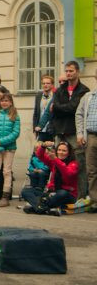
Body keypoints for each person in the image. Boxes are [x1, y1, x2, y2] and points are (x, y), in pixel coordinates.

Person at [51, 61, 89, 199]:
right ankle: (58, 193)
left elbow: (74, 108)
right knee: (58, 164)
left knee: (80, 165)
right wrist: (58, 108)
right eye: (66, 71)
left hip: (75, 132)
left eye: (71, 71)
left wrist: (58, 108)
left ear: (77, 72)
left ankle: (81, 196)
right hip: (60, 131)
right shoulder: (60, 89)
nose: (68, 73)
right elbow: (56, 108)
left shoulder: (84, 90)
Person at [22, 141, 79, 216]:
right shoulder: (54, 161)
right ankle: (42, 208)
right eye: (59, 150)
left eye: (64, 151)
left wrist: (56, 159)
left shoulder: (74, 164)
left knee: (62, 193)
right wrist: (43, 146)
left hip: (68, 195)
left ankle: (37, 207)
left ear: (69, 153)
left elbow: (67, 173)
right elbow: (40, 156)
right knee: (26, 191)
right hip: (51, 193)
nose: (61, 152)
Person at [76, 68, 97, 213]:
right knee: (92, 170)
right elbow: (79, 114)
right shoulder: (89, 96)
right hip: (91, 136)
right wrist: (80, 134)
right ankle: (95, 200)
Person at [33, 75, 55, 142]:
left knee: (50, 151)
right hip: (40, 130)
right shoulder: (38, 96)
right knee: (38, 150)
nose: (45, 85)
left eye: (48, 83)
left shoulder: (55, 96)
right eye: (43, 83)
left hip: (52, 130)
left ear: (52, 85)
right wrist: (34, 128)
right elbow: (36, 113)